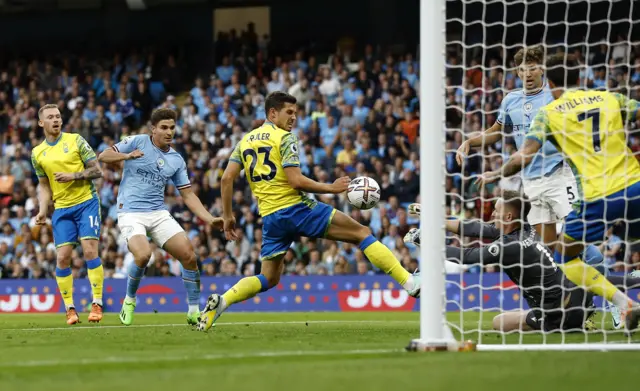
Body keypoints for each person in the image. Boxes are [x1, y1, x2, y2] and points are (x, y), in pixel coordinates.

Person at [197, 92, 420, 332]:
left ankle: (222, 302)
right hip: (296, 208)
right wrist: (331, 188)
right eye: (288, 112)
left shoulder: (245, 141)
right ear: (272, 113)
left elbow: (227, 179)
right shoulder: (284, 138)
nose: (293, 117)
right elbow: (295, 181)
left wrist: (228, 216)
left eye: (295, 113)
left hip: (271, 219)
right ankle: (409, 282)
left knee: (268, 278)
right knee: (361, 232)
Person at [477, 52, 640, 331]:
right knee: (557, 249)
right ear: (580, 76)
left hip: (596, 195)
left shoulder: (549, 112)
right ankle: (590, 306)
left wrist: (496, 172)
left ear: (549, 81)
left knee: (567, 258)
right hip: (634, 184)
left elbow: (524, 155)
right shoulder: (609, 98)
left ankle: (623, 304)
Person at [404, 192, 640, 332]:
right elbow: (473, 228)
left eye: (495, 211)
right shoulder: (525, 230)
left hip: (556, 317)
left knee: (499, 323)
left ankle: (613, 300)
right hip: (576, 297)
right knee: (572, 270)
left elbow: (468, 256)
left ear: (508, 216)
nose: (491, 215)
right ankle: (629, 281)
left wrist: (427, 242)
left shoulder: (508, 247)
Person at [98, 108, 223, 326]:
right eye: (164, 127)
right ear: (153, 129)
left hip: (157, 213)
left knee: (189, 256)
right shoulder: (137, 141)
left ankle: (193, 311)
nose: (169, 132)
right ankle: (129, 299)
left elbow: (187, 194)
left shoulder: (176, 160)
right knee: (144, 255)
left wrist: (209, 218)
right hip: (130, 212)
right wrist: (127, 156)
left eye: (172, 128)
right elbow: (104, 155)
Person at [31, 104, 105, 325]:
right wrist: (43, 210)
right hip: (61, 208)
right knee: (62, 257)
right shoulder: (37, 153)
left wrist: (73, 175)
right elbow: (44, 186)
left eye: (58, 116)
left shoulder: (76, 141)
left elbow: (97, 171)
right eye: (50, 117)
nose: (56, 120)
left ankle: (97, 303)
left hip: (86, 203)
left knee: (90, 250)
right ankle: (70, 308)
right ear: (40, 123)